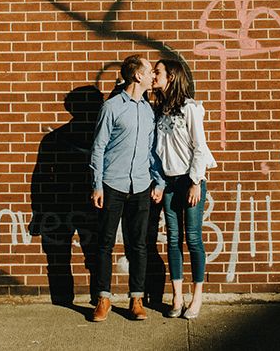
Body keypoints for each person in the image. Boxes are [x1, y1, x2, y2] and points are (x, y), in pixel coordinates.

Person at [89, 55, 164, 322]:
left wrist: (160, 180)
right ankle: (103, 298)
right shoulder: (111, 108)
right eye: (149, 71)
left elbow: (152, 151)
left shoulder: (148, 110)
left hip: (141, 185)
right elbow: (98, 147)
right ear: (137, 76)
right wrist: (97, 184)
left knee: (139, 245)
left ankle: (136, 299)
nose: (153, 76)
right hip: (113, 184)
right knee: (104, 243)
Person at [152, 58, 217, 320]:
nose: (154, 76)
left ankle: (197, 297)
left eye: (158, 72)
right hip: (168, 182)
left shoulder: (190, 108)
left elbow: (199, 147)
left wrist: (195, 181)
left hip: (190, 180)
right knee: (173, 239)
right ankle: (177, 296)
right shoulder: (158, 110)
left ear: (172, 77)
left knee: (193, 237)